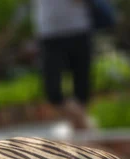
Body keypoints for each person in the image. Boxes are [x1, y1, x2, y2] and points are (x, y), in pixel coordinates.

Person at [34, 0, 99, 130]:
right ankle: (87, 125)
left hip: (78, 30)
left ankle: (83, 137)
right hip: (49, 33)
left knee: (81, 91)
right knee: (53, 93)